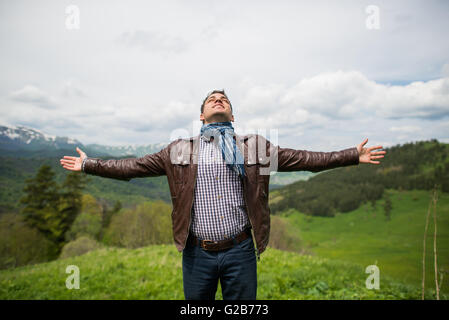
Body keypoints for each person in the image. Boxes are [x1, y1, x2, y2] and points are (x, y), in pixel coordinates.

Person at [60, 89, 386, 300]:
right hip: (197, 253)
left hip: (240, 250)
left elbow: (304, 159)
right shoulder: (179, 150)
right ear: (201, 115)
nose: (219, 100)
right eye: (212, 99)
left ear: (232, 116)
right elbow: (131, 167)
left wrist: (349, 156)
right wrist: (90, 165)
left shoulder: (256, 146)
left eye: (225, 100)